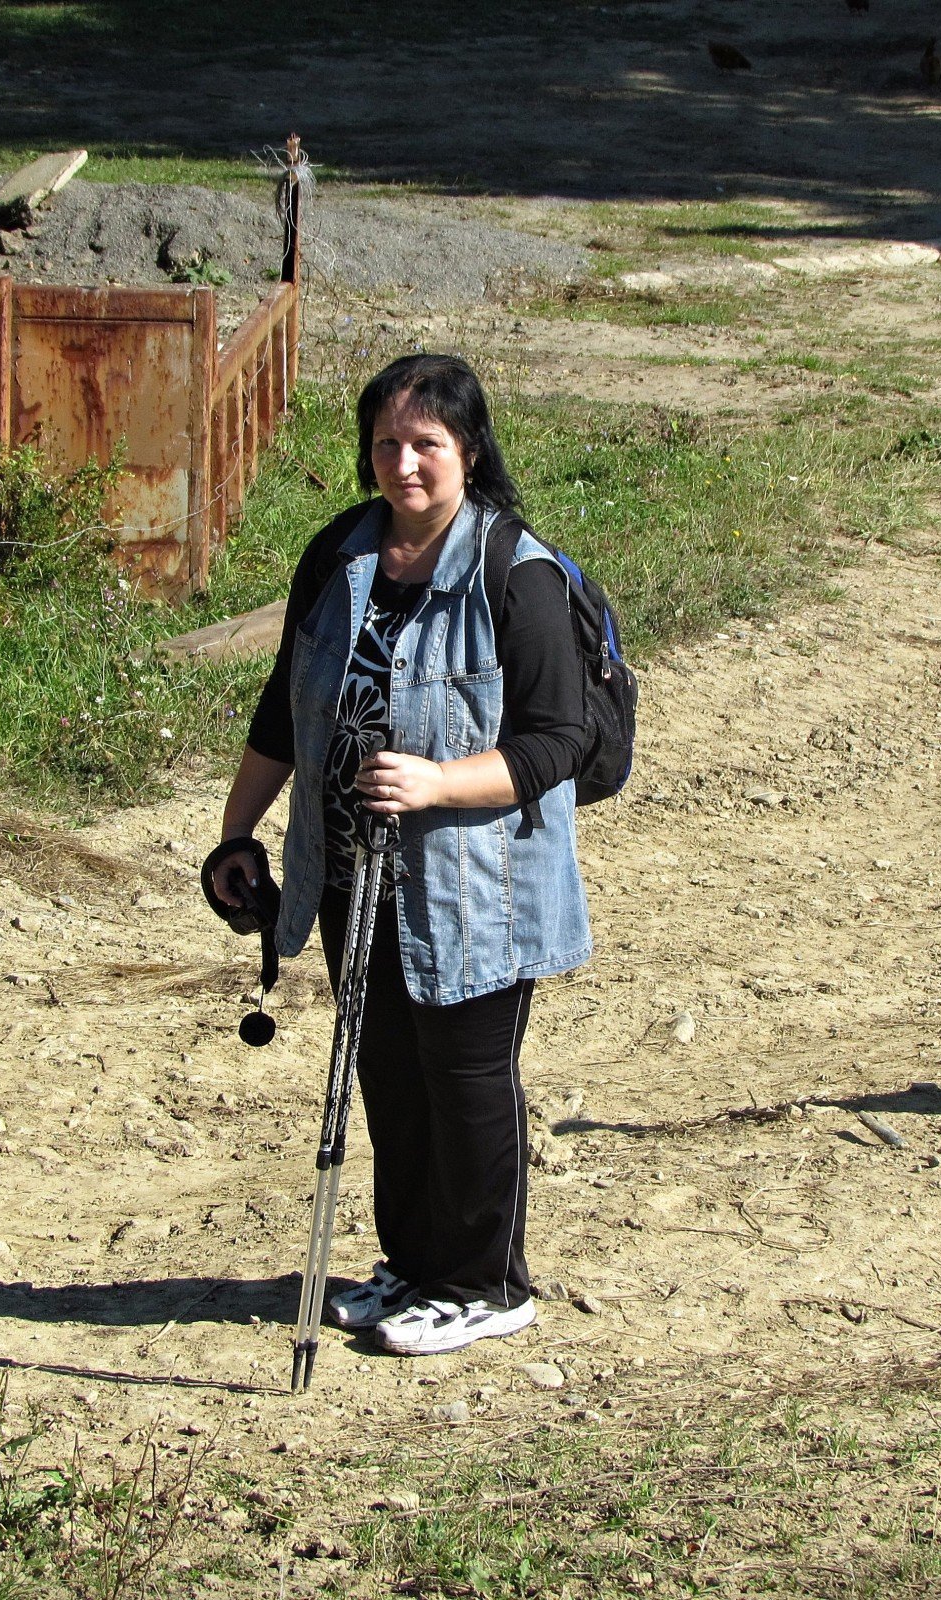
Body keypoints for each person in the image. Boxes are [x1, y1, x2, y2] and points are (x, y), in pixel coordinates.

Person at [207, 353, 590, 1356]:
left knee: (464, 1079)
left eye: (428, 443)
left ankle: (487, 1281)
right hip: (350, 873)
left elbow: (559, 742)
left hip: (478, 882)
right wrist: (237, 831)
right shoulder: (340, 554)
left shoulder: (518, 571)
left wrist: (435, 782)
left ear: (468, 450)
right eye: (387, 442)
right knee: (386, 1071)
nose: (405, 464)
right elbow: (285, 707)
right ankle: (417, 1265)